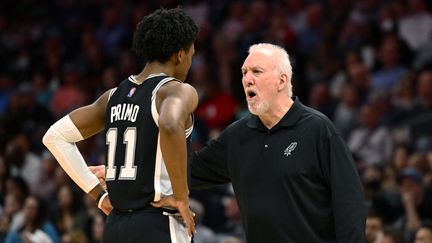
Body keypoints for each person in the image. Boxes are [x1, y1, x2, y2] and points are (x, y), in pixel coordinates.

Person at [92, 43, 366, 242]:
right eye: (245, 72)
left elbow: (349, 203)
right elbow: (190, 169)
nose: (247, 78)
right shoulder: (239, 135)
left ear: (282, 80)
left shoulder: (318, 129)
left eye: (256, 71)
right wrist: (129, 169)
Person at [43, 7, 198, 242]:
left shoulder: (112, 96)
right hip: (157, 223)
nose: (190, 61)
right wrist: (181, 197)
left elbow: (54, 136)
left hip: (115, 226)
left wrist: (99, 197)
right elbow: (169, 123)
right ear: (180, 54)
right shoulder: (176, 90)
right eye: (191, 54)